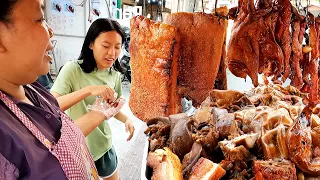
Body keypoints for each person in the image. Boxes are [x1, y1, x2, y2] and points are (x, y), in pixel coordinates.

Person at [0, 0, 120, 179]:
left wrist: (101, 114)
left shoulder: (33, 89)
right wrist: (88, 90)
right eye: (40, 19)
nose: (50, 30)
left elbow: (57, 142)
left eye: (117, 47)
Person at [51, 18, 135, 180]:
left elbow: (112, 108)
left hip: (104, 146)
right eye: (105, 46)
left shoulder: (115, 75)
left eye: (117, 47)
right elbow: (52, 106)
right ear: (91, 44)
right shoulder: (72, 70)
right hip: (78, 148)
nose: (112, 53)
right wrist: (88, 90)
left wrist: (127, 120)